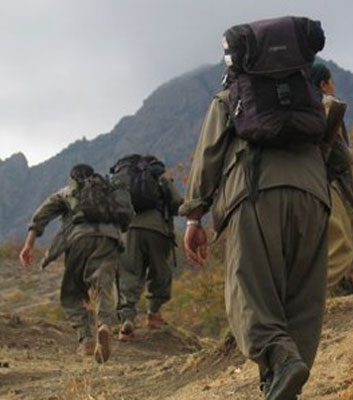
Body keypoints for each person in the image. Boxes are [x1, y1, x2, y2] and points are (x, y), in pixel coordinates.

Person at [181, 17, 330, 399]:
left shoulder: (232, 97)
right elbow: (340, 155)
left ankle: (281, 361)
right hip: (314, 199)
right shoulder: (311, 94)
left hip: (256, 194)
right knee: (302, 300)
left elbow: (208, 156)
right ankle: (282, 386)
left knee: (248, 293)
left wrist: (195, 216)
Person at [19, 164, 133, 363]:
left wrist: (29, 245)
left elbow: (41, 215)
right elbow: (127, 215)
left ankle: (86, 339)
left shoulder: (68, 191)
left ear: (72, 177)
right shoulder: (108, 190)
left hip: (79, 239)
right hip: (109, 239)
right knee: (103, 285)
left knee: (72, 291)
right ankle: (104, 324)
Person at [113, 155, 183, 341]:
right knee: (159, 271)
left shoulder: (126, 180)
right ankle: (154, 314)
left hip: (129, 231)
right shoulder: (158, 175)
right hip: (157, 229)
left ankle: (126, 321)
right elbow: (176, 203)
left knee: (129, 274)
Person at [311, 63, 353, 290]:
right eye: (331, 81)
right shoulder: (326, 106)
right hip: (319, 183)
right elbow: (340, 158)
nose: (333, 86)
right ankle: (308, 298)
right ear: (323, 84)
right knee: (341, 248)